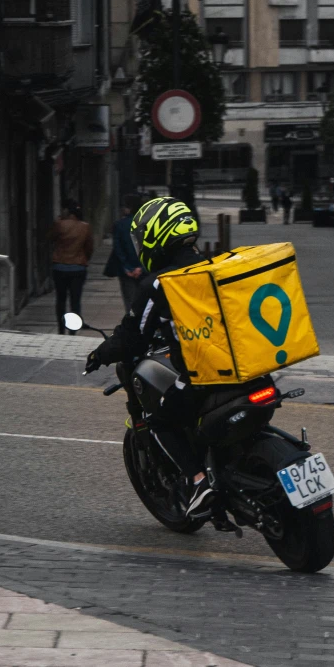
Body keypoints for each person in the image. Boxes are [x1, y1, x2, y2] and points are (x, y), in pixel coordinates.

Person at [85, 197, 216, 518]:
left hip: (203, 376)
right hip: (245, 369)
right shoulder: (215, 267)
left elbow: (131, 337)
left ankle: (199, 481)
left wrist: (100, 353)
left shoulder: (160, 283)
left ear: (158, 235)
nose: (141, 240)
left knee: (159, 420)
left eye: (144, 234)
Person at [50, 199, 94, 335]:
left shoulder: (59, 225)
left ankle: (60, 329)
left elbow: (49, 238)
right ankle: (73, 330)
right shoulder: (85, 227)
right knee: (75, 300)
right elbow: (89, 248)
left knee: (61, 299)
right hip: (78, 267)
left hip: (60, 266)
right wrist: (84, 258)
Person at [111, 194, 145, 312]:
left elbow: (118, 248)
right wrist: (140, 267)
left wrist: (127, 267)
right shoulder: (148, 224)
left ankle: (132, 326)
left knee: (130, 302)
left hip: (127, 271)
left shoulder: (120, 224)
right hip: (144, 269)